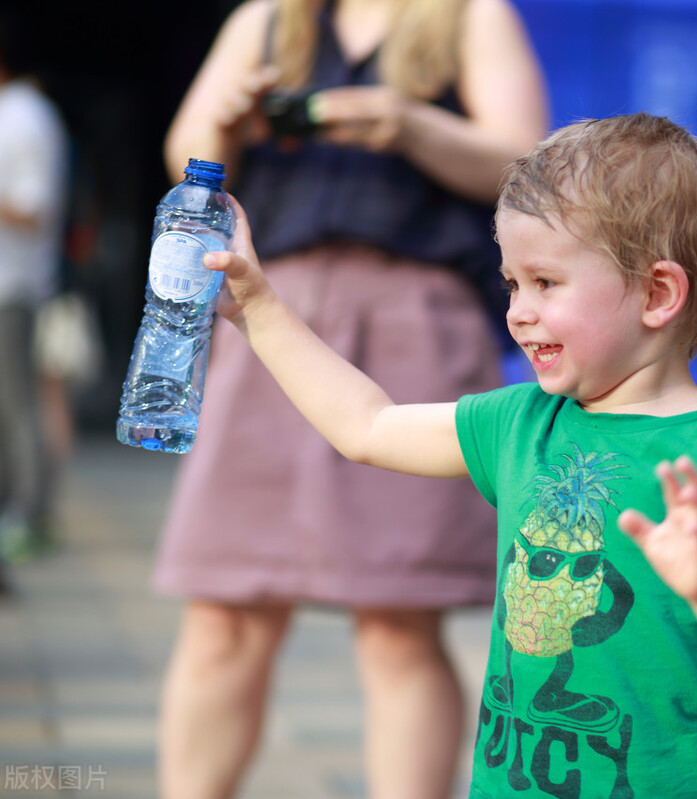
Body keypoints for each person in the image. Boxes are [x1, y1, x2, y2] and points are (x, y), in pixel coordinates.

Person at [201, 112, 697, 797]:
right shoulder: (521, 421)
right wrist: (258, 307)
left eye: (546, 283)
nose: (518, 310)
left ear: (657, 293)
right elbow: (367, 426)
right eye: (512, 284)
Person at [152, 1, 548, 797]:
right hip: (270, 314)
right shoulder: (268, 19)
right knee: (225, 608)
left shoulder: (470, 16)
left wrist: (408, 125)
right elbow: (183, 154)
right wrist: (230, 127)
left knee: (398, 617)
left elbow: (526, 169)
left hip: (417, 316)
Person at [0, 10, 69, 579]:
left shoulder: (23, 117)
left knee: (18, 402)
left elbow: (31, 208)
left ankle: (28, 515)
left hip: (13, 285)